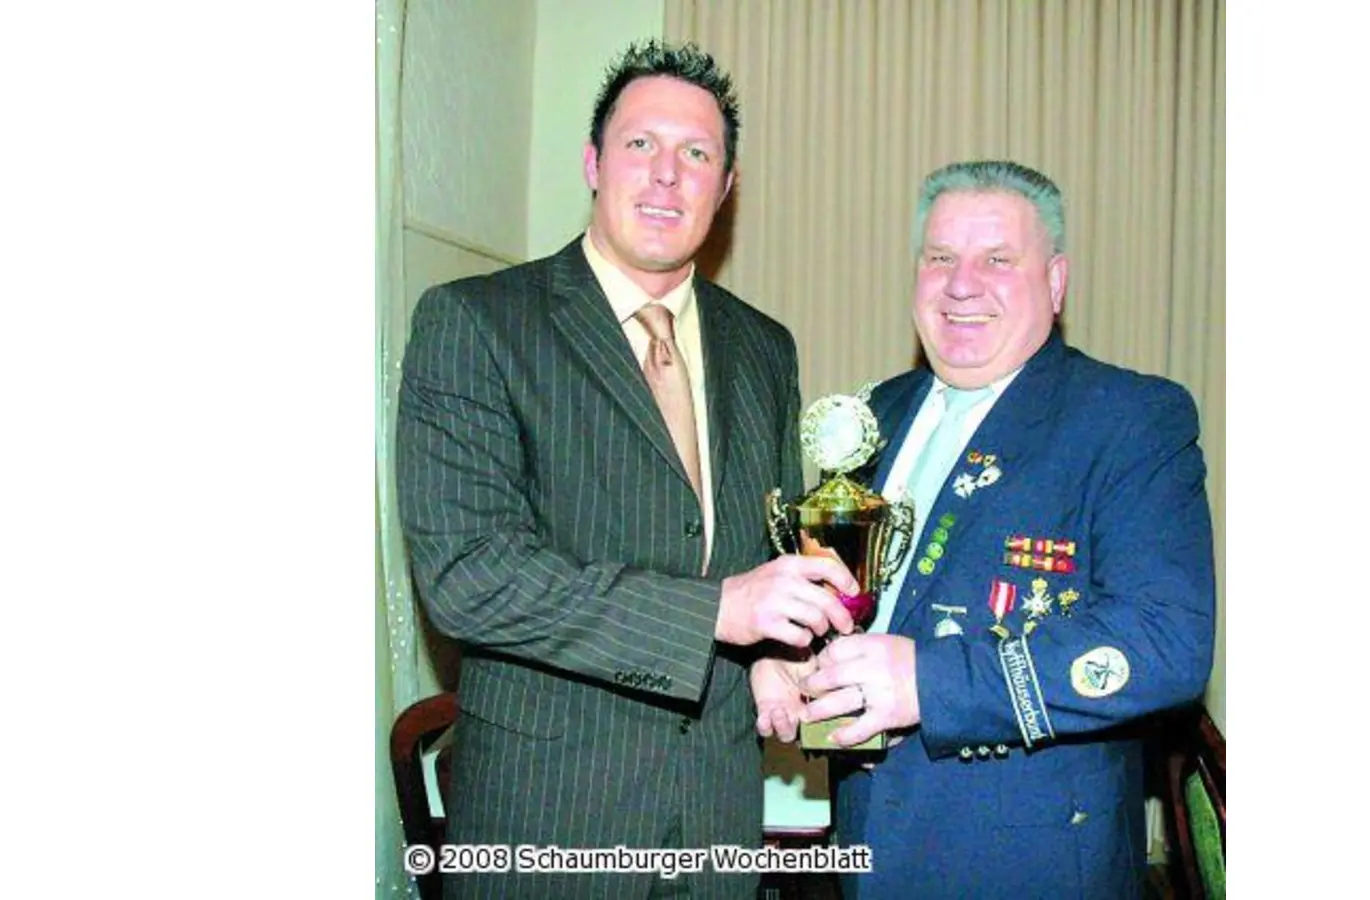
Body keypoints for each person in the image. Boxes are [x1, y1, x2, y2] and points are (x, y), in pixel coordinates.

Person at [397, 39, 859, 900]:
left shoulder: (765, 348)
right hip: (549, 825)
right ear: (593, 163)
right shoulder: (478, 323)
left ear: (724, 190)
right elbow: (469, 578)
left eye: (697, 155)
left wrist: (766, 657)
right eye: (640, 145)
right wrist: (718, 612)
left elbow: (751, 559)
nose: (666, 176)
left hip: (718, 819)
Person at [752, 160, 1217, 899]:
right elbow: (851, 601)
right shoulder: (874, 415)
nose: (962, 283)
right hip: (867, 848)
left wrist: (928, 683)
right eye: (940, 258)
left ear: (1055, 283)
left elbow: (1165, 644)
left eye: (998, 259)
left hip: (1026, 865)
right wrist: (786, 658)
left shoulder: (1128, 418)